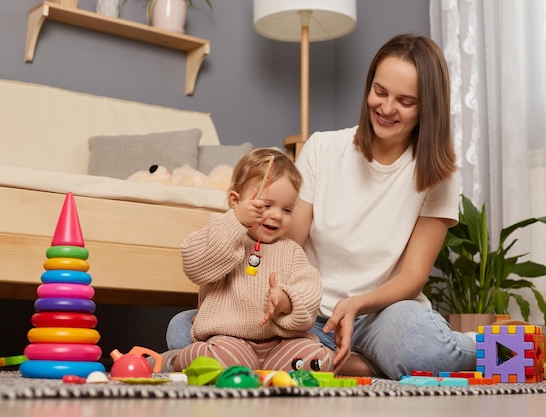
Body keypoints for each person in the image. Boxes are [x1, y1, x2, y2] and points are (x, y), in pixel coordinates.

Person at [166, 33, 476, 380]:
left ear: (427, 107)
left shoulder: (438, 173)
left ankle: (470, 347)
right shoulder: (323, 148)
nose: (387, 108)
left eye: (405, 101)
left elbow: (413, 277)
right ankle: (353, 365)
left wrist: (356, 304)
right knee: (183, 328)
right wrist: (257, 300)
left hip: (381, 316)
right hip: (306, 316)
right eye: (380, 91)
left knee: (428, 350)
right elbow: (287, 244)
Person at [163, 147, 334, 373]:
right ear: (235, 201)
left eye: (287, 209)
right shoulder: (221, 233)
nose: (276, 215)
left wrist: (287, 301)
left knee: (318, 360)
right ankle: (175, 360)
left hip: (279, 344)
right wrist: (235, 222)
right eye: (266, 205)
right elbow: (195, 264)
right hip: (230, 340)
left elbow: (310, 288)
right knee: (223, 360)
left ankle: (265, 370)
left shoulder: (290, 250)